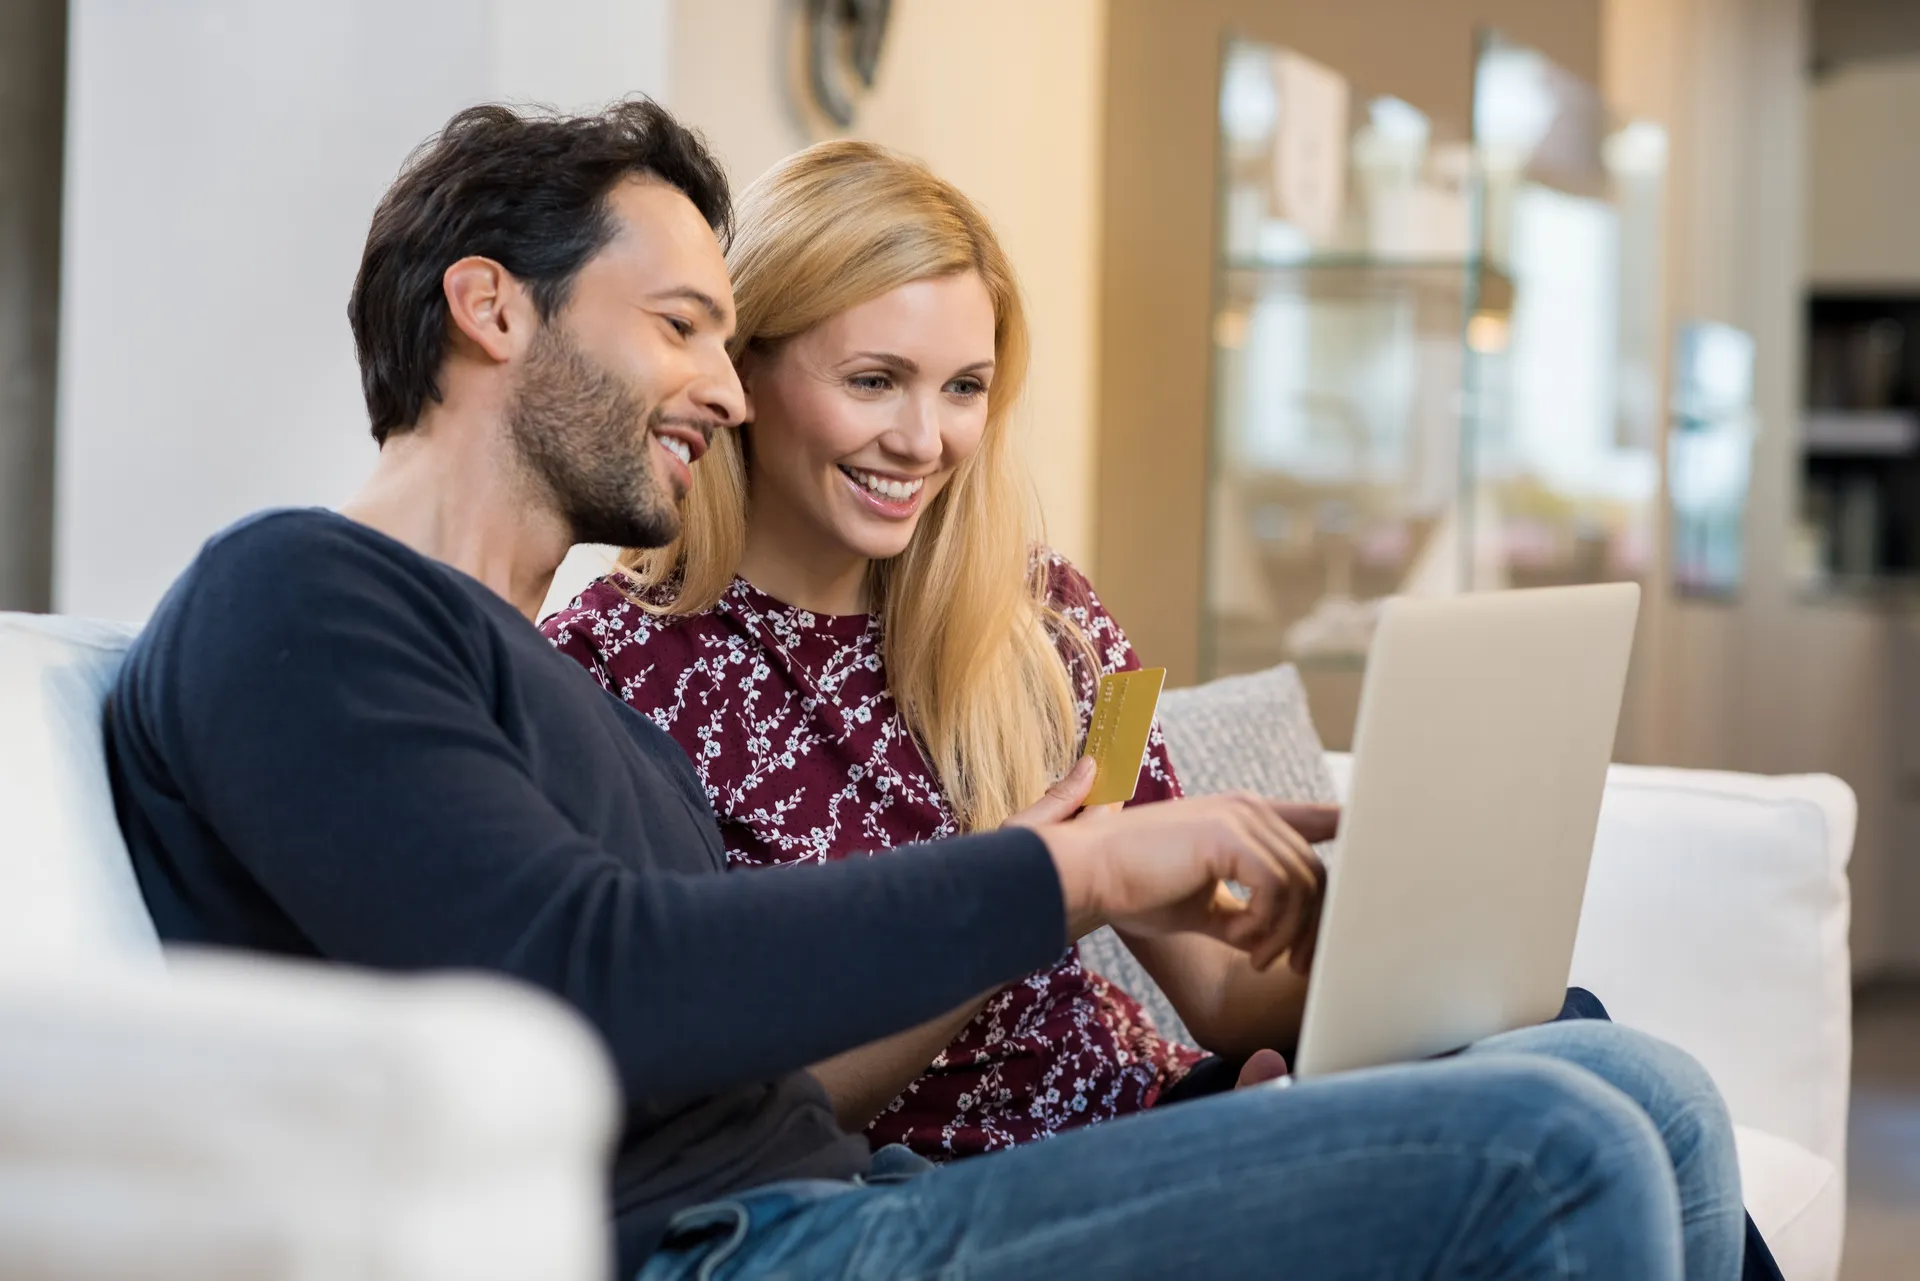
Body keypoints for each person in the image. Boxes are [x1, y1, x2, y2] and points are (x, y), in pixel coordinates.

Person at [107, 99, 1740, 1281]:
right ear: (490, 306)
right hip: (735, 1243)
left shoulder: (543, 686)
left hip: (841, 1199)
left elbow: (709, 1020)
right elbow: (593, 983)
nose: (722, 390)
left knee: (1629, 1088)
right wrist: (1071, 871)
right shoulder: (298, 596)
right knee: (1559, 1146)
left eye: (733, 343)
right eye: (684, 327)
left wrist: (1256, 1039)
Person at [542, 141, 1325, 1166]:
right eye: (874, 381)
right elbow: (745, 1118)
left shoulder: (1053, 618)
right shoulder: (610, 674)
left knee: (1575, 1046)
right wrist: (1029, 897)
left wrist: (1355, 949)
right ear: (742, 371)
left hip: (1174, 1117)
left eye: (964, 389)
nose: (924, 441)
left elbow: (1221, 991)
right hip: (947, 1198)